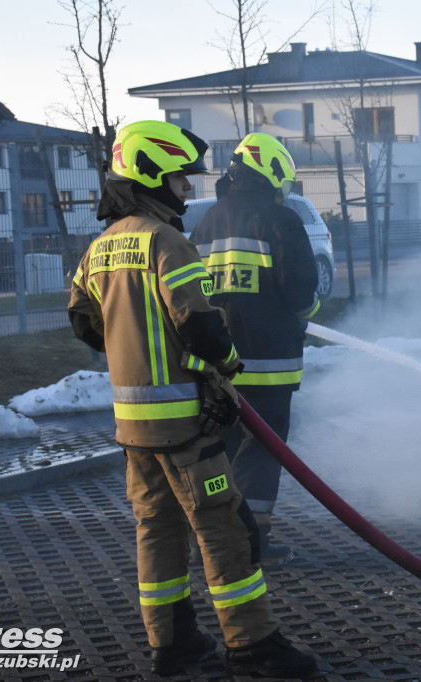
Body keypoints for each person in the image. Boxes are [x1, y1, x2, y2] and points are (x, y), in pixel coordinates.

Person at [67, 121, 317, 679]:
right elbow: (201, 327)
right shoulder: (165, 240)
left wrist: (135, 353)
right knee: (224, 527)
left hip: (133, 425)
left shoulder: (103, 245)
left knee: (156, 528)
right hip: (185, 424)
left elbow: (83, 319)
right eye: (181, 178)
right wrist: (222, 374)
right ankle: (252, 643)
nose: (187, 190)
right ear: (154, 174)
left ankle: (173, 641)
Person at [189, 133, 320, 566]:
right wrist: (310, 310)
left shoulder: (207, 222)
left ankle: (214, 536)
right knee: (263, 449)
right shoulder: (281, 222)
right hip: (269, 363)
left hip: (219, 363)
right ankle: (254, 540)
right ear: (275, 172)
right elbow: (301, 292)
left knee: (221, 447)